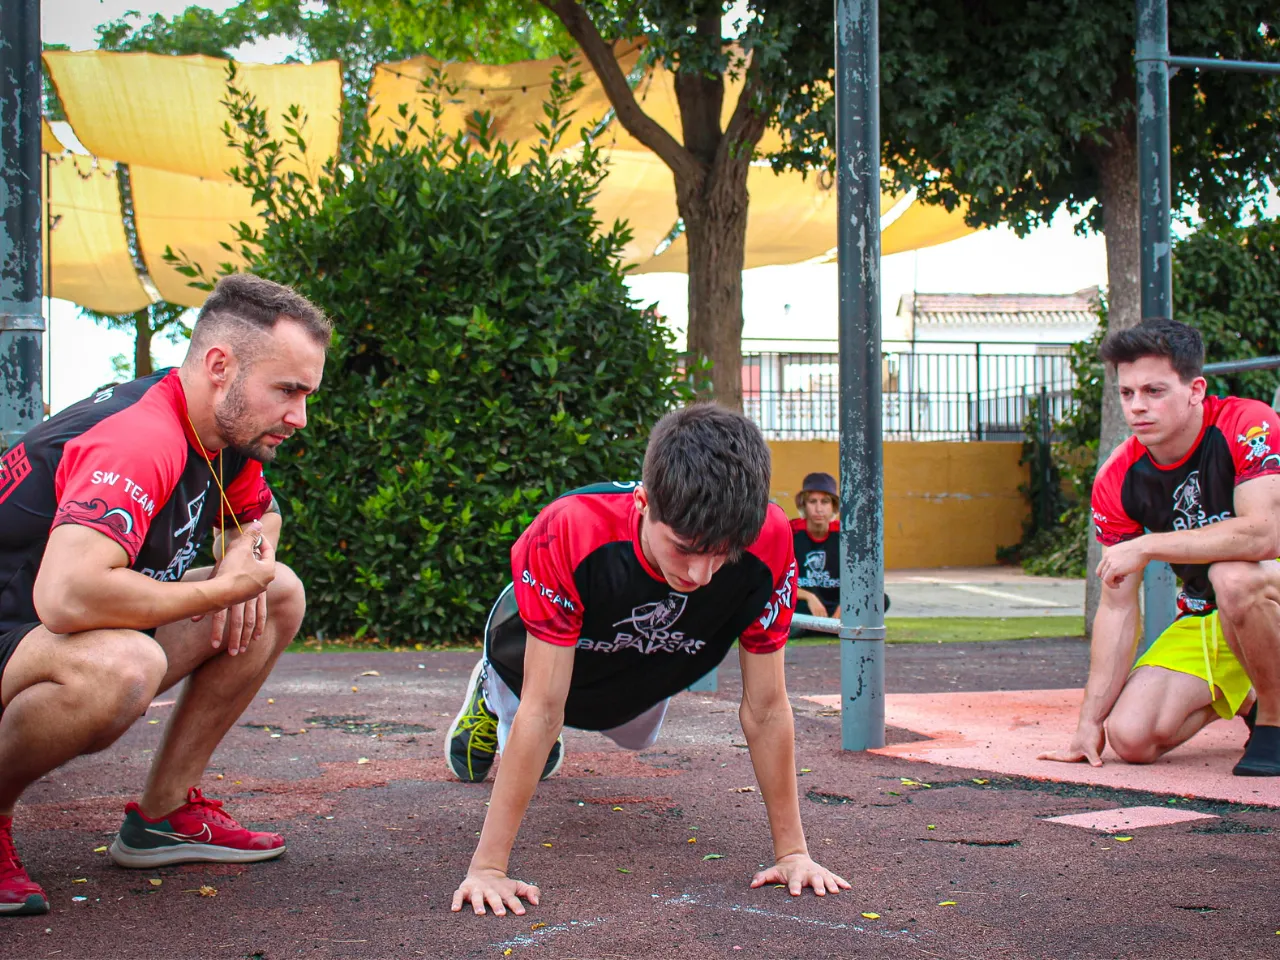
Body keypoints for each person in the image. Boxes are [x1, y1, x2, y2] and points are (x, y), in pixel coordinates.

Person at [0, 273, 330, 916]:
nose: (300, 417)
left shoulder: (219, 433)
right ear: (219, 365)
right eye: (288, 391)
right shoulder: (140, 437)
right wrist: (222, 590)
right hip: (25, 626)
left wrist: (244, 558)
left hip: (35, 637)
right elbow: (66, 597)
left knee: (277, 593)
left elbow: (260, 522)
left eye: (307, 394)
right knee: (124, 664)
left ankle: (164, 813)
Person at [445, 404, 849, 917]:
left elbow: (767, 707)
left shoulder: (769, 539)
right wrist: (487, 869)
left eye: (723, 554)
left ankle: (582, 703)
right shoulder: (569, 528)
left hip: (648, 658)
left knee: (638, 736)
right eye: (684, 548)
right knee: (534, 709)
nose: (701, 574)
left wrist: (794, 854)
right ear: (643, 501)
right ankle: (490, 691)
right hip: (538, 660)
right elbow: (545, 707)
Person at [1040, 318, 1280, 777]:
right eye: (1127, 394)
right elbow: (1116, 609)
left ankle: (1273, 719)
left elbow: (1263, 535)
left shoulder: (1247, 423)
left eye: (1154, 391)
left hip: (1267, 587)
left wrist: (1150, 545)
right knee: (1131, 738)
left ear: (1195, 390)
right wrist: (1088, 722)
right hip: (1210, 614)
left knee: (1233, 575)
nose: (1137, 408)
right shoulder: (1118, 478)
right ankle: (1248, 694)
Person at [791, 472, 840, 620]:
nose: (819, 509)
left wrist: (847, 605)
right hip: (803, 603)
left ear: (833, 506)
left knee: (880, 599)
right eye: (812, 502)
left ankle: (810, 626)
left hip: (834, 603)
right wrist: (808, 596)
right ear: (804, 506)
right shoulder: (791, 531)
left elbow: (863, 583)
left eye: (825, 502)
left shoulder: (846, 535)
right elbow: (776, 582)